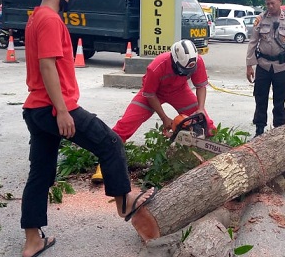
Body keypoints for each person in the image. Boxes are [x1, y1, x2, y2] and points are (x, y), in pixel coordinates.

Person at [21, 0, 154, 257]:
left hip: (35, 109)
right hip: (55, 108)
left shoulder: (34, 19)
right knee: (109, 143)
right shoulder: (50, 20)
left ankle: (32, 241)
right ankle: (125, 201)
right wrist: (64, 111)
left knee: (40, 175)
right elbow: (47, 67)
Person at [92, 39, 216, 182]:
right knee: (126, 123)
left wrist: (200, 109)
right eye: (182, 70)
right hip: (152, 94)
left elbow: (201, 86)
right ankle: (104, 165)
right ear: (174, 60)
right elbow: (149, 94)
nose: (185, 73)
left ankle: (211, 154)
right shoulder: (156, 67)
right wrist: (164, 118)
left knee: (205, 122)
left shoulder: (196, 61)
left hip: (179, 90)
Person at [246, 0, 285, 137]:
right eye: (267, 3)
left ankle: (279, 130)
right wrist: (249, 65)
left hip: (281, 67)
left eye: (273, 3)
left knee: (280, 100)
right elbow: (253, 42)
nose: (270, 6)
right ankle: (259, 130)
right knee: (260, 98)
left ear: (280, 1)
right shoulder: (260, 19)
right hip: (263, 65)